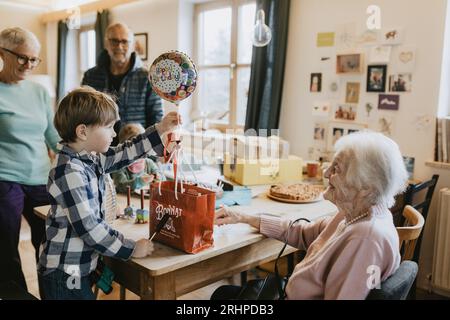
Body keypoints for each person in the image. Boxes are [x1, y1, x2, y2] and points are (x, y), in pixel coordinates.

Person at [213, 131, 407, 299]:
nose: (325, 173)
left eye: (336, 168)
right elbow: (304, 232)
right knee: (224, 294)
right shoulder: (355, 214)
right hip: (288, 291)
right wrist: (245, 218)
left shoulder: (365, 239)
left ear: (365, 186)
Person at [37, 86, 180, 300]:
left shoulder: (89, 158)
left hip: (78, 267)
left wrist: (160, 128)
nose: (114, 133)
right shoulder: (69, 171)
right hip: (65, 272)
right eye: (110, 127)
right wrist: (130, 248)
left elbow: (124, 152)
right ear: (83, 131)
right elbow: (90, 228)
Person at [0, 27, 60, 291]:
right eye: (23, 57)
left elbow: (52, 135)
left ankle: (52, 294)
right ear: (3, 53)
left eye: (34, 59)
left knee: (49, 242)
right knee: (5, 247)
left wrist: (80, 154)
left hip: (39, 177)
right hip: (4, 179)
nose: (29, 64)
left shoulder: (38, 92)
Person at [82, 23, 162, 145]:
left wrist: (150, 152)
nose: (119, 46)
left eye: (125, 42)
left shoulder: (147, 78)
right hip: (98, 152)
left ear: (133, 45)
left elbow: (156, 118)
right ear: (106, 43)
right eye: (114, 41)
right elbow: (82, 114)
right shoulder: (90, 76)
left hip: (136, 152)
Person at [111, 123, 162, 193]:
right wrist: (140, 181)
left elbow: (162, 179)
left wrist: (158, 178)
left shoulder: (149, 163)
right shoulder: (119, 166)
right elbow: (120, 186)